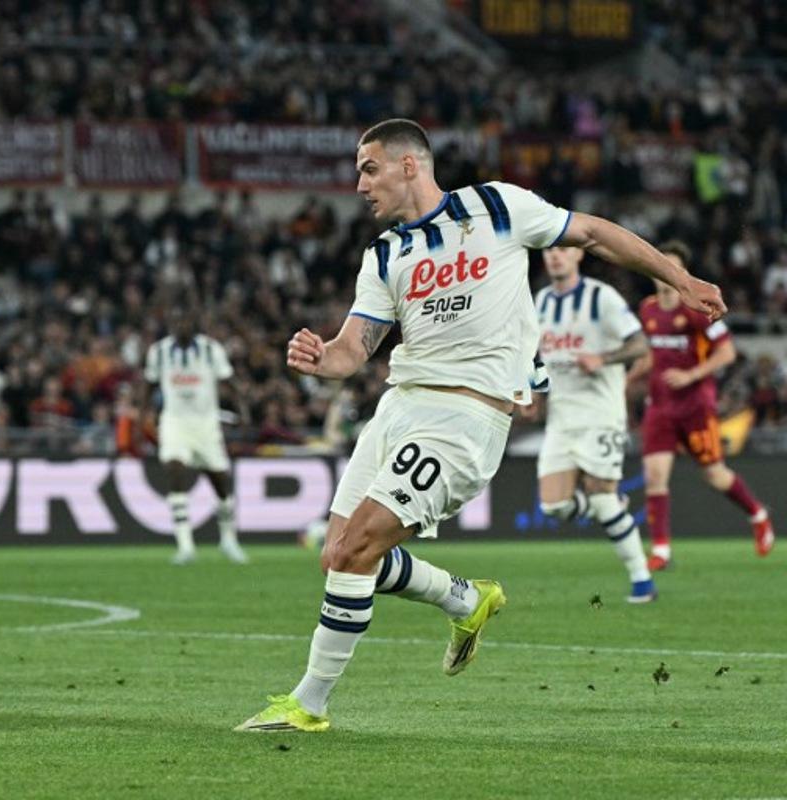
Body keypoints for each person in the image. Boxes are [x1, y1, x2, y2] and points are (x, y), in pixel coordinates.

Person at [236, 118, 724, 733]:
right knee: (338, 555)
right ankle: (464, 599)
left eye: (368, 168)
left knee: (357, 549)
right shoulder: (386, 253)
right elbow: (351, 350)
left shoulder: (496, 206)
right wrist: (319, 359)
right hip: (398, 408)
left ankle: (308, 705)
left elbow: (595, 234)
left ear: (408, 164)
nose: (359, 184)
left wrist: (678, 278)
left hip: (465, 418)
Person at [629, 241, 774, 569]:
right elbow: (654, 354)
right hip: (660, 407)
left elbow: (727, 352)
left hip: (695, 406)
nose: (665, 274)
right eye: (659, 265)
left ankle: (758, 513)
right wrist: (629, 379)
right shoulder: (648, 309)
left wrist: (691, 374)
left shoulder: (695, 307)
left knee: (714, 475)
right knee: (655, 474)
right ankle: (661, 550)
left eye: (673, 267)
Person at [528, 246, 654, 602]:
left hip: (601, 413)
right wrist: (532, 394)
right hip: (561, 418)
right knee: (554, 506)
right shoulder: (540, 302)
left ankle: (642, 581)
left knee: (600, 493)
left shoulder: (602, 298)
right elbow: (533, 355)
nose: (556, 256)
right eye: (550, 249)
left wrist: (604, 357)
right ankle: (613, 506)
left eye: (564, 249)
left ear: (578, 256)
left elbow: (641, 345)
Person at [143, 305, 247, 565]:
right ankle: (185, 545)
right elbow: (148, 384)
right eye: (177, 322)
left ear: (194, 324)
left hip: (206, 424)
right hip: (175, 421)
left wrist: (243, 410)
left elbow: (230, 382)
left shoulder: (212, 350)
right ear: (171, 324)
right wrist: (141, 415)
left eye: (186, 322)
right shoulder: (159, 352)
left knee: (220, 480)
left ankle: (228, 539)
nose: (182, 327)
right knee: (174, 469)